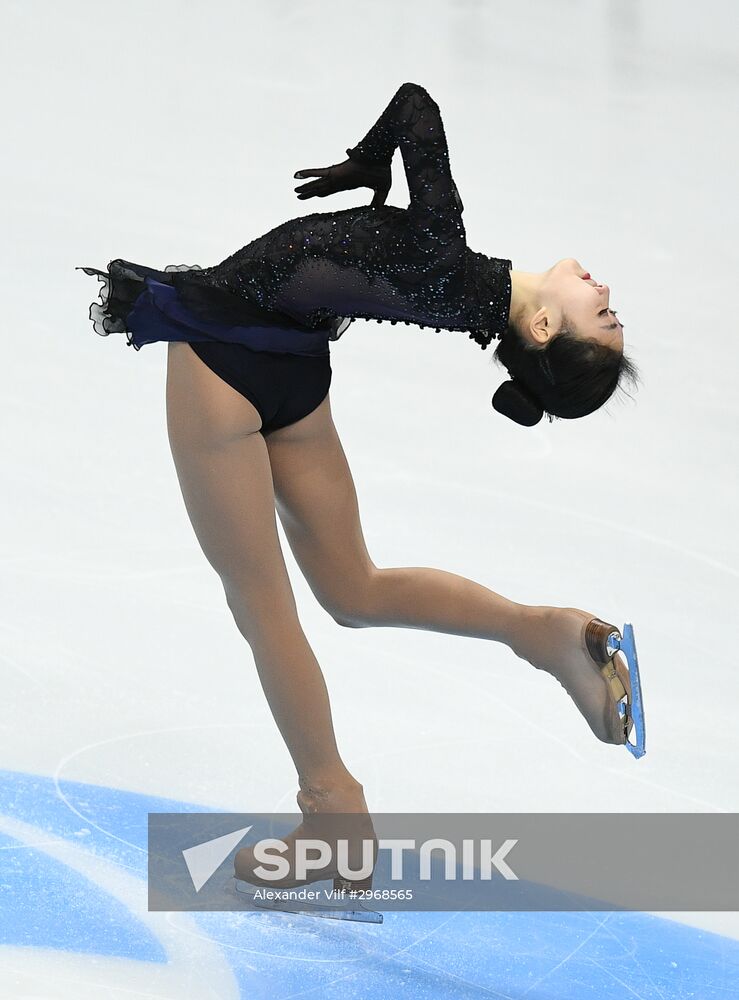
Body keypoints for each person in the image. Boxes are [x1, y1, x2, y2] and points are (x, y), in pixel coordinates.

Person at [77, 81, 642, 897]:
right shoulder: (459, 280)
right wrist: (370, 171)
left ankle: (332, 817)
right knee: (351, 587)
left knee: (260, 604)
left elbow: (417, 104)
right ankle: (542, 633)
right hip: (295, 375)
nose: (601, 288)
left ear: (545, 329)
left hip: (223, 363)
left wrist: (368, 162)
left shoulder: (446, 252)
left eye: (603, 311)